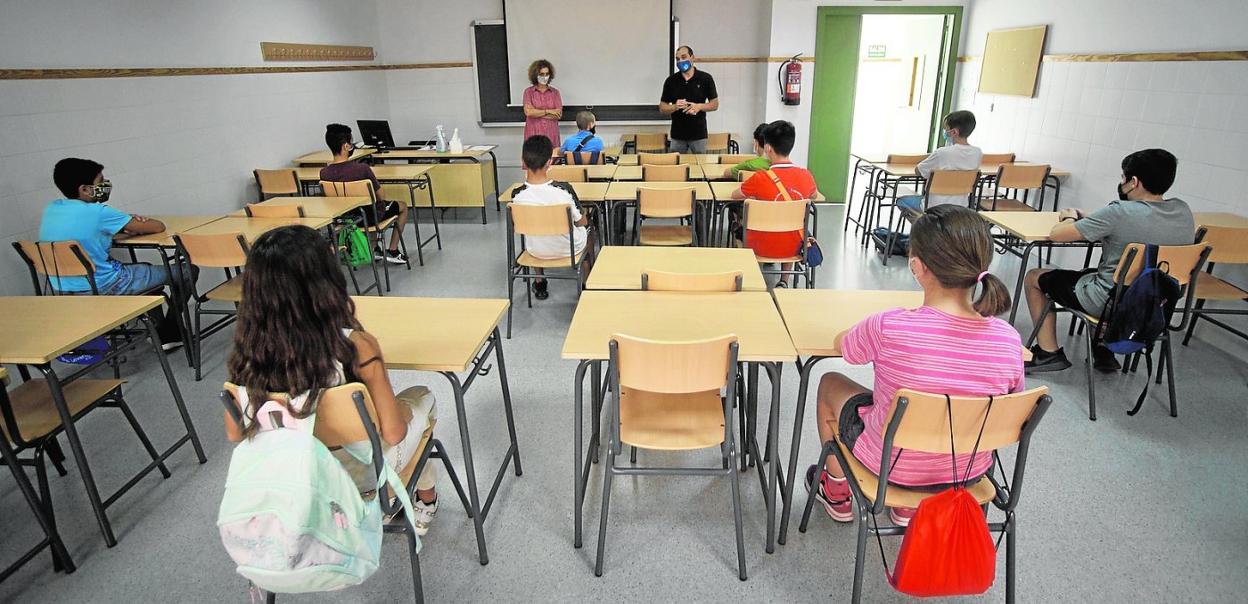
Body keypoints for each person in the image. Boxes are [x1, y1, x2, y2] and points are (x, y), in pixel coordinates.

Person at [807, 205, 1023, 526]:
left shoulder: (888, 326)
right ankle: (907, 510)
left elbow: (846, 349)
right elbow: (1012, 405)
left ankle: (837, 491)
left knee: (829, 382)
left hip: (892, 468)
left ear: (917, 266)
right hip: (968, 471)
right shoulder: (1008, 339)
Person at [224, 225, 440, 535]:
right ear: (325, 281)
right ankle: (425, 498)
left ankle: (419, 498)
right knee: (422, 397)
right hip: (362, 478)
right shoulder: (356, 346)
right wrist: (405, 410)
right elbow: (393, 434)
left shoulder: (247, 357)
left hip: (294, 480)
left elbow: (236, 432)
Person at [1023, 148, 1195, 374]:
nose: (1121, 182)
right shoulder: (1183, 211)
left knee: (1034, 277)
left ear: (1134, 182)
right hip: (1155, 304)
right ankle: (1104, 350)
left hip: (1110, 303)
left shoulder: (1119, 212)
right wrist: (1096, 222)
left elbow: (1057, 233)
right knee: (1111, 276)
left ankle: (1048, 353)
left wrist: (1070, 217)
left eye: (1124, 177)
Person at [38, 157, 194, 348]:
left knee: (144, 269)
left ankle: (160, 331)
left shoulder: (52, 209)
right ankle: (171, 331)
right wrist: (136, 221)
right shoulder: (99, 212)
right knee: (187, 271)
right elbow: (158, 226)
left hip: (64, 289)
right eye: (100, 182)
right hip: (105, 285)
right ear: (84, 189)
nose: (105, 185)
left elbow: (84, 232)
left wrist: (119, 227)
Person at [732, 120, 817, 286]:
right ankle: (784, 281)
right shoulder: (806, 175)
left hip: (759, 246)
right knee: (791, 226)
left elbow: (736, 195)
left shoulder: (760, 178)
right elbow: (813, 195)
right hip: (795, 247)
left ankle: (754, 279)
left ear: (768, 148)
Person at [510, 135, 593, 301]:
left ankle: (540, 282)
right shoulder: (563, 190)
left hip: (535, 251)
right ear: (549, 162)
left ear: (523, 161)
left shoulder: (517, 196)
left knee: (534, 233)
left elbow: (516, 227)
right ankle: (587, 283)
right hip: (569, 250)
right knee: (590, 231)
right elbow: (580, 222)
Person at [319, 123, 409, 264]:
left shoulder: (324, 173)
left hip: (345, 218)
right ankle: (392, 249)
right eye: (351, 142)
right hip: (369, 217)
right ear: (346, 146)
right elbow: (381, 196)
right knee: (402, 206)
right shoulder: (362, 169)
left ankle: (373, 248)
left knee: (370, 208)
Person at [897, 110, 983, 212]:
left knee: (901, 201)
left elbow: (918, 171)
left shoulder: (942, 153)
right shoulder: (977, 153)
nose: (944, 132)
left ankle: (927, 226)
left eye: (946, 129)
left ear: (954, 132)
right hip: (961, 209)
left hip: (934, 207)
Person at [659, 45, 719, 153]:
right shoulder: (671, 81)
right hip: (677, 136)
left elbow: (715, 104)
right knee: (677, 167)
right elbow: (662, 108)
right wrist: (675, 107)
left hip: (699, 135)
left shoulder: (706, 78)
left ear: (692, 57)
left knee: (700, 166)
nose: (680, 61)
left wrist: (699, 106)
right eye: (678, 59)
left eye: (684, 57)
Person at [523, 59, 562, 148]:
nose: (544, 77)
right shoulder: (528, 92)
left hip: (551, 133)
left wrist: (536, 112)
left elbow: (558, 115)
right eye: (541, 74)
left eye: (547, 74)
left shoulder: (555, 92)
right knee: (533, 158)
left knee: (552, 158)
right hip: (533, 132)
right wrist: (549, 111)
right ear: (535, 75)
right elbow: (529, 112)